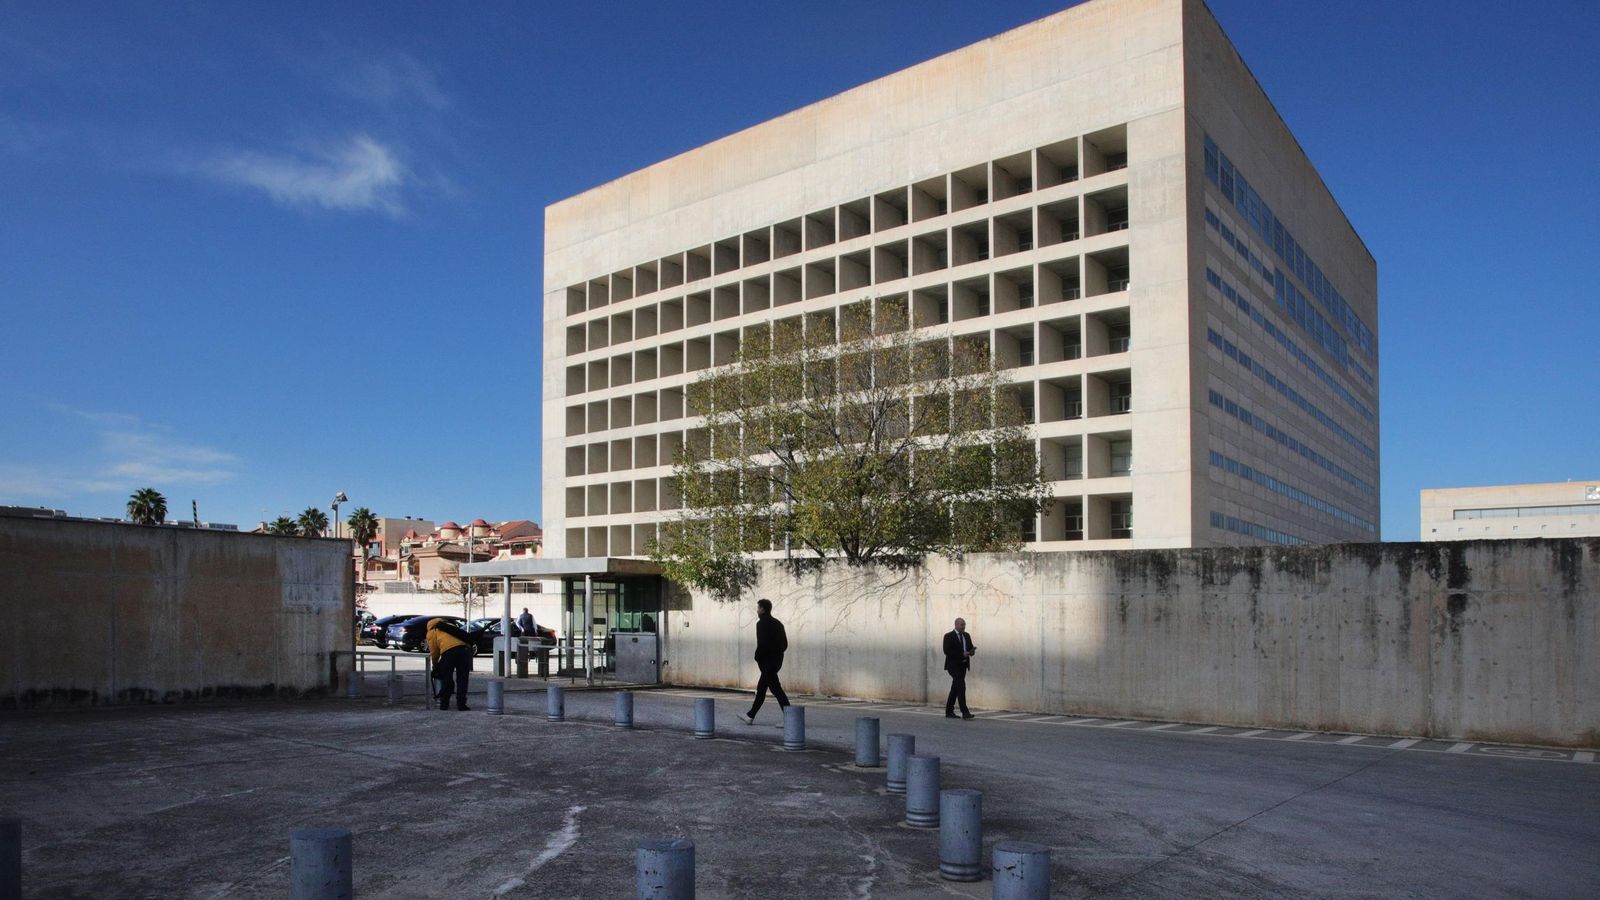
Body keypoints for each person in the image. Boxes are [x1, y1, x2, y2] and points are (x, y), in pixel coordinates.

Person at [740, 598, 789, 725]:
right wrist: (777, 654)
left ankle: (790, 719)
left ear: (762, 609)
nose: (757, 610)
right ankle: (750, 715)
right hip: (776, 662)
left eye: (758, 608)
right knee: (761, 689)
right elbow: (785, 644)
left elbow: (762, 643)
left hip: (767, 663)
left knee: (776, 689)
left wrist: (757, 657)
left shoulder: (761, 624)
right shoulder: (778, 624)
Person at [427, 617, 475, 711]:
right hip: (464, 651)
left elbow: (434, 651)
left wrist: (435, 663)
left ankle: (444, 704)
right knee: (462, 679)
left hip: (448, 653)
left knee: (446, 678)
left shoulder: (432, 631)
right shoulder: (450, 625)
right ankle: (461, 704)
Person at [943, 617, 976, 719]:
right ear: (956, 625)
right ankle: (965, 712)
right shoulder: (948, 636)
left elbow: (970, 647)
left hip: (963, 666)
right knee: (961, 686)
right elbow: (947, 651)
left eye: (964, 625)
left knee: (955, 687)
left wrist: (972, 651)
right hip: (953, 666)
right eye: (962, 625)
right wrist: (962, 654)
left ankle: (949, 711)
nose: (963, 627)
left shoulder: (966, 635)